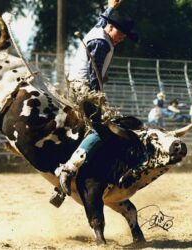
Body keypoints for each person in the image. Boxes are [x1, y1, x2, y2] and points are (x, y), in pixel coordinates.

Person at [56, 0, 138, 196]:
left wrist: (111, 7)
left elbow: (102, 19)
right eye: (122, 33)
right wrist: (99, 103)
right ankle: (69, 170)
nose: (123, 38)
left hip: (75, 86)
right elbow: (94, 76)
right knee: (101, 131)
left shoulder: (100, 30)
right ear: (111, 27)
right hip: (84, 90)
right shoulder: (102, 43)